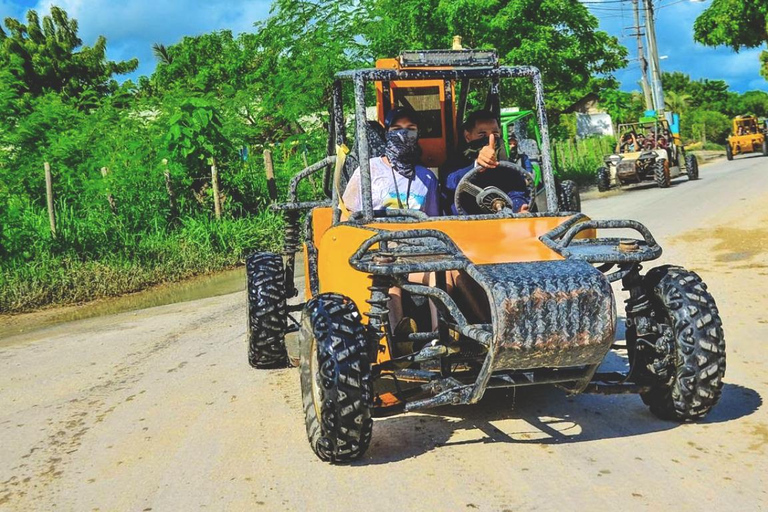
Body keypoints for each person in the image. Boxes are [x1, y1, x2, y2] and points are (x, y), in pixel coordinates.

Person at [342, 107, 439, 217]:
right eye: (396, 129)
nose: (402, 134)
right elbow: (346, 215)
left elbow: (433, 221)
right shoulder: (368, 170)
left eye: (410, 129)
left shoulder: (428, 178)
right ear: (387, 133)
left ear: (418, 134)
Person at [441, 110, 531, 215]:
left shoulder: (507, 167)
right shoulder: (454, 164)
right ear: (467, 136)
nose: (490, 140)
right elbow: (450, 182)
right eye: (482, 135)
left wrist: (518, 207)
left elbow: (517, 192)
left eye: (495, 134)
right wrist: (477, 167)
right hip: (463, 226)